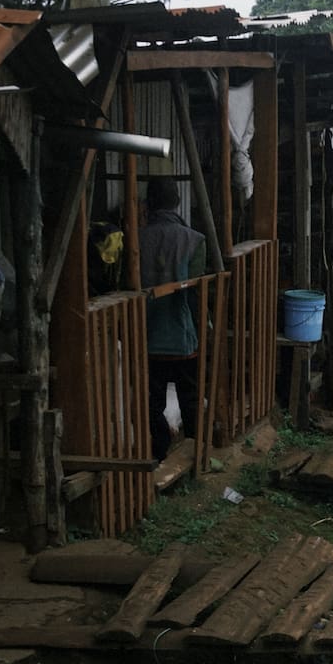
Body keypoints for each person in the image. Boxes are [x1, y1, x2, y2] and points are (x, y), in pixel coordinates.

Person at [140, 178, 208, 462]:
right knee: (190, 396)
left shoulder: (135, 240)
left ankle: (158, 452)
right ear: (177, 202)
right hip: (182, 337)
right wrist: (202, 329)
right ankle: (196, 452)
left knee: (151, 400)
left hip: (146, 336)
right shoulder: (195, 240)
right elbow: (195, 296)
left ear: (148, 204)